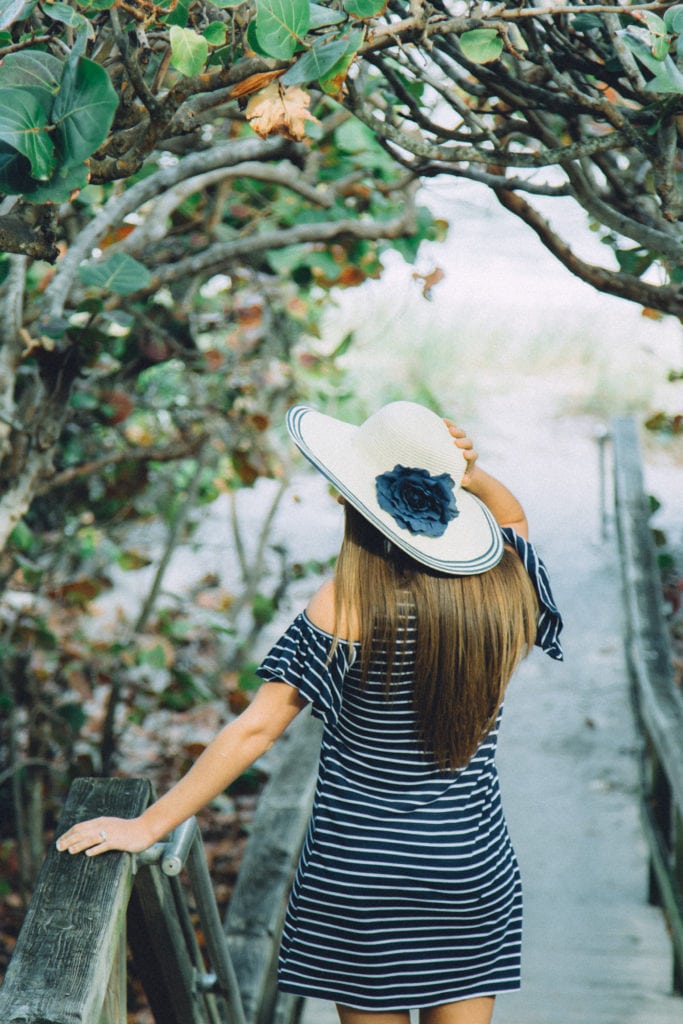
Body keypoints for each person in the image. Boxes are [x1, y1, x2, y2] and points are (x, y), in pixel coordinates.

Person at [57, 400, 563, 1024]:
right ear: (451, 500)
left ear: (357, 501)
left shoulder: (348, 602)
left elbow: (257, 729)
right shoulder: (506, 584)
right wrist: (473, 475)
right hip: (469, 867)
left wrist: (147, 826)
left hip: (360, 874)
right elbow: (513, 519)